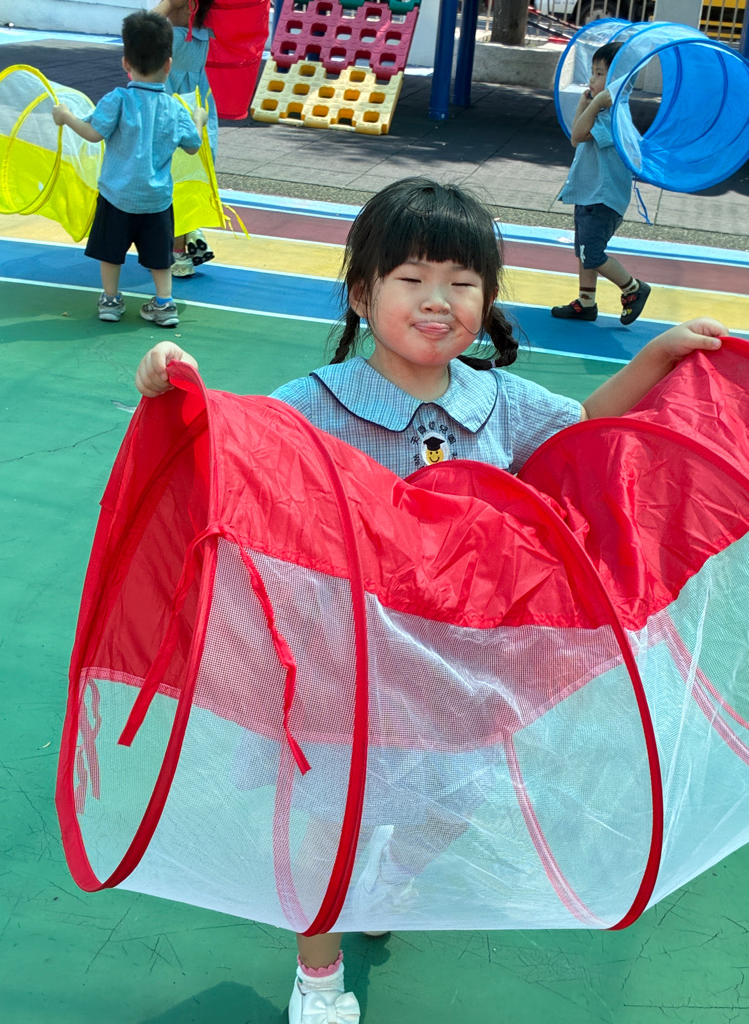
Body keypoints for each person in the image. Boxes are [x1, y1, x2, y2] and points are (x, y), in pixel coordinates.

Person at [133, 178, 726, 1024]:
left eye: (462, 282)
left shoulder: (499, 401)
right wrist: (170, 381)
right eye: (411, 278)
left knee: (451, 802)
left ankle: (383, 883)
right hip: (348, 669)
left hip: (455, 670)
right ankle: (318, 975)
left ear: (487, 298)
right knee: (333, 825)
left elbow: (583, 432)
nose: (437, 299)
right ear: (361, 294)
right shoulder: (317, 402)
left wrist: (655, 359)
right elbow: (234, 453)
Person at [51, 10, 208, 326]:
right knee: (160, 258)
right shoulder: (174, 107)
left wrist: (66, 117)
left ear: (126, 63)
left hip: (116, 196)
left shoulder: (118, 99)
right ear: (168, 64)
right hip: (156, 201)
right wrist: (199, 120)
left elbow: (93, 134)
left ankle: (110, 300)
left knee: (110, 253)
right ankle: (164, 303)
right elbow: (193, 146)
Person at [552, 41, 651, 326]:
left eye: (599, 73)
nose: (591, 79)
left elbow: (577, 136)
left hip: (602, 198)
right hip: (589, 194)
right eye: (592, 72)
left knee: (592, 254)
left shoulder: (613, 115)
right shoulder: (603, 111)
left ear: (617, 80)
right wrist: (587, 103)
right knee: (584, 251)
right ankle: (586, 301)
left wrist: (593, 103)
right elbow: (577, 134)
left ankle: (633, 288)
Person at [153, 0, 218, 277]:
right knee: (192, 174)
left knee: (173, 180)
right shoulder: (204, 31)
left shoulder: (171, 36)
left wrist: (168, 4)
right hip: (199, 105)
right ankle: (192, 231)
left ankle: (179, 252)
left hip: (172, 107)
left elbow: (143, 29)